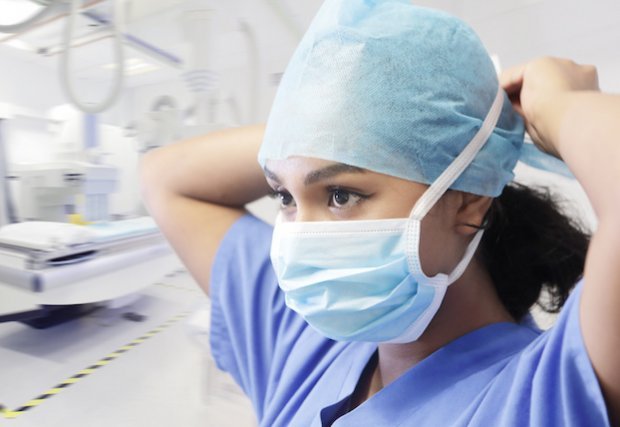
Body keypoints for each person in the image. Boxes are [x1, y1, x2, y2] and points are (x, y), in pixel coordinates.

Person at [141, 1, 619, 425]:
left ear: (468, 200)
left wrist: (564, 105)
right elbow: (167, 179)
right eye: (284, 197)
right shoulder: (303, 348)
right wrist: (325, 120)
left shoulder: (542, 396)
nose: (300, 239)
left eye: (340, 196)